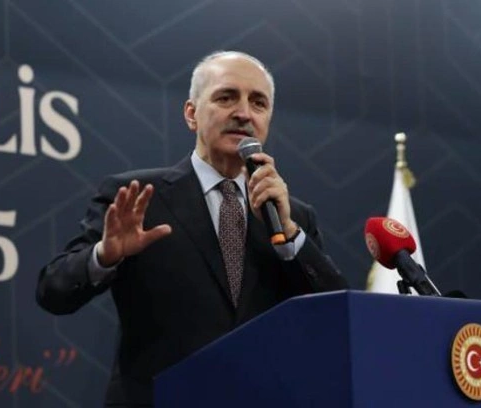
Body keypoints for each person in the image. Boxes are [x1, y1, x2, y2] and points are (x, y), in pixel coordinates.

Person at [36, 50, 348, 406]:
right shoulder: (137, 198)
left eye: (258, 103)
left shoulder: (292, 217)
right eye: (226, 97)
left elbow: (336, 317)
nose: (243, 113)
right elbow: (53, 291)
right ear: (191, 114)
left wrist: (289, 236)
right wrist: (104, 256)